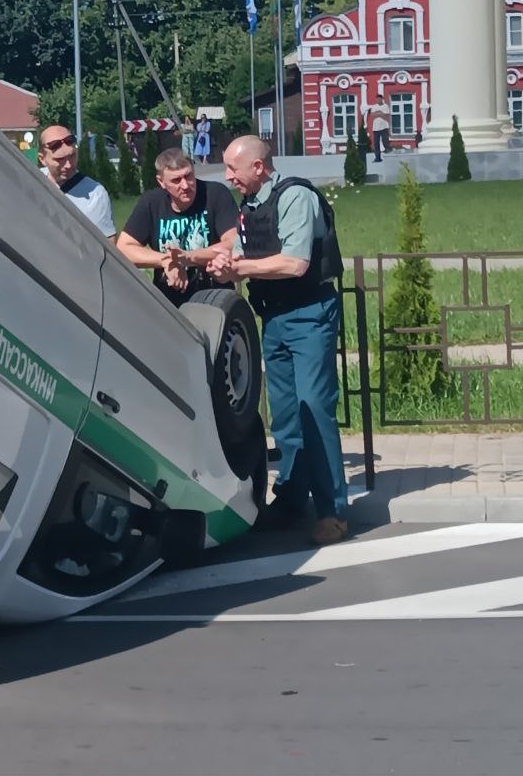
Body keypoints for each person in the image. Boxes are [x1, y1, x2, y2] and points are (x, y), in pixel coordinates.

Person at [207, 137, 348, 546]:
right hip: (275, 317)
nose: (228, 178)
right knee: (286, 415)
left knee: (315, 410)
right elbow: (237, 247)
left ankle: (332, 512)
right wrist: (216, 259)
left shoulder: (296, 196)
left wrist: (240, 267)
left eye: (233, 169)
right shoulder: (251, 206)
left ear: (258, 167)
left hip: (309, 315)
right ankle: (291, 499)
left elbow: (295, 261)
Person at [117, 148, 238, 307]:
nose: (185, 185)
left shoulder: (215, 194)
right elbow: (124, 248)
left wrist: (187, 257)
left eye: (188, 176)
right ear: (161, 182)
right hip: (168, 299)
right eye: (176, 180)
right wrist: (166, 261)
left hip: (214, 295)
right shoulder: (152, 202)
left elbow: (234, 243)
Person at [37, 125, 116, 240]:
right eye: (60, 159)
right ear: (42, 159)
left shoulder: (95, 194)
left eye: (72, 156)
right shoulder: (32, 181)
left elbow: (109, 245)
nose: (68, 165)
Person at [364, 93, 391, 162]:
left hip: (384, 127)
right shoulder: (374, 106)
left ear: (382, 99)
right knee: (376, 143)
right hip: (376, 128)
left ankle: (389, 155)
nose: (378, 100)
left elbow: (386, 115)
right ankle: (377, 157)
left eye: (379, 99)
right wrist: (380, 113)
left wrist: (379, 113)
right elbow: (372, 114)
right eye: (377, 99)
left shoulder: (385, 106)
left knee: (385, 142)